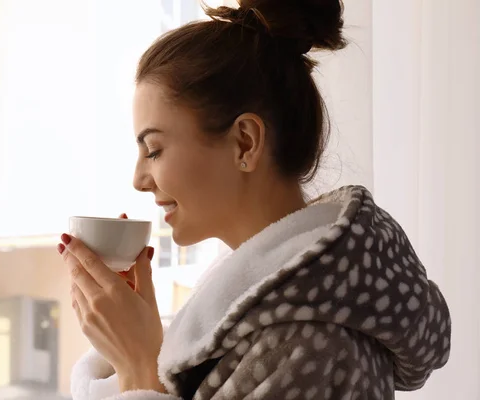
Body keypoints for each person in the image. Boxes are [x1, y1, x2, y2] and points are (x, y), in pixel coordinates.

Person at [58, 0, 451, 399]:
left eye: (154, 149)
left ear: (245, 143)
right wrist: (139, 346)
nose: (139, 180)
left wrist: (138, 364)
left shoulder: (306, 343)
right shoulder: (267, 313)